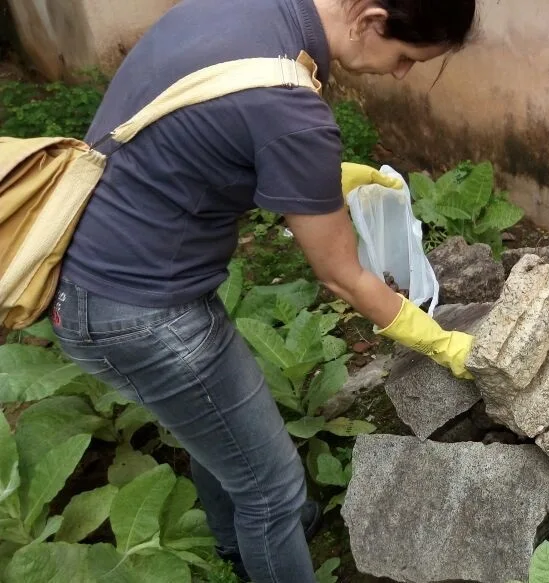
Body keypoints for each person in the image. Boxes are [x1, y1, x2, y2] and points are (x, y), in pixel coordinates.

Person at [48, 0, 477, 581]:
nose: (401, 74)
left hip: (101, 270)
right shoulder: (289, 107)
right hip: (141, 313)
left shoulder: (246, 11)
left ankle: (233, 550)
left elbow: (203, 142)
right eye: (405, 57)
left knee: (216, 424)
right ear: (371, 19)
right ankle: (265, 547)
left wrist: (316, 177)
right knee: (273, 493)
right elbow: (342, 276)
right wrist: (445, 344)